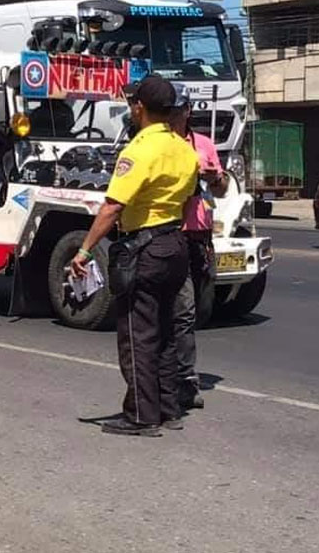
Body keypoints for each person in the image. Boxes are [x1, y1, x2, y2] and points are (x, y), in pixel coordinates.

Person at [69, 77, 198, 436]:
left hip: (145, 247)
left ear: (139, 106)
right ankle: (169, 409)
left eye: (131, 103)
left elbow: (112, 207)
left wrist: (83, 249)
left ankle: (141, 415)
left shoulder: (138, 150)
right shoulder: (184, 148)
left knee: (137, 334)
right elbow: (189, 201)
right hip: (174, 243)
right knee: (166, 333)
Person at [169, 101, 229, 411]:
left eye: (181, 109)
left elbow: (221, 188)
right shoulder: (162, 144)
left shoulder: (203, 144)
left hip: (201, 237)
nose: (177, 115)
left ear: (188, 112)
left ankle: (178, 373)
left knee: (201, 309)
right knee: (184, 310)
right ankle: (184, 381)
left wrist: (214, 177)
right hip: (173, 234)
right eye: (172, 109)